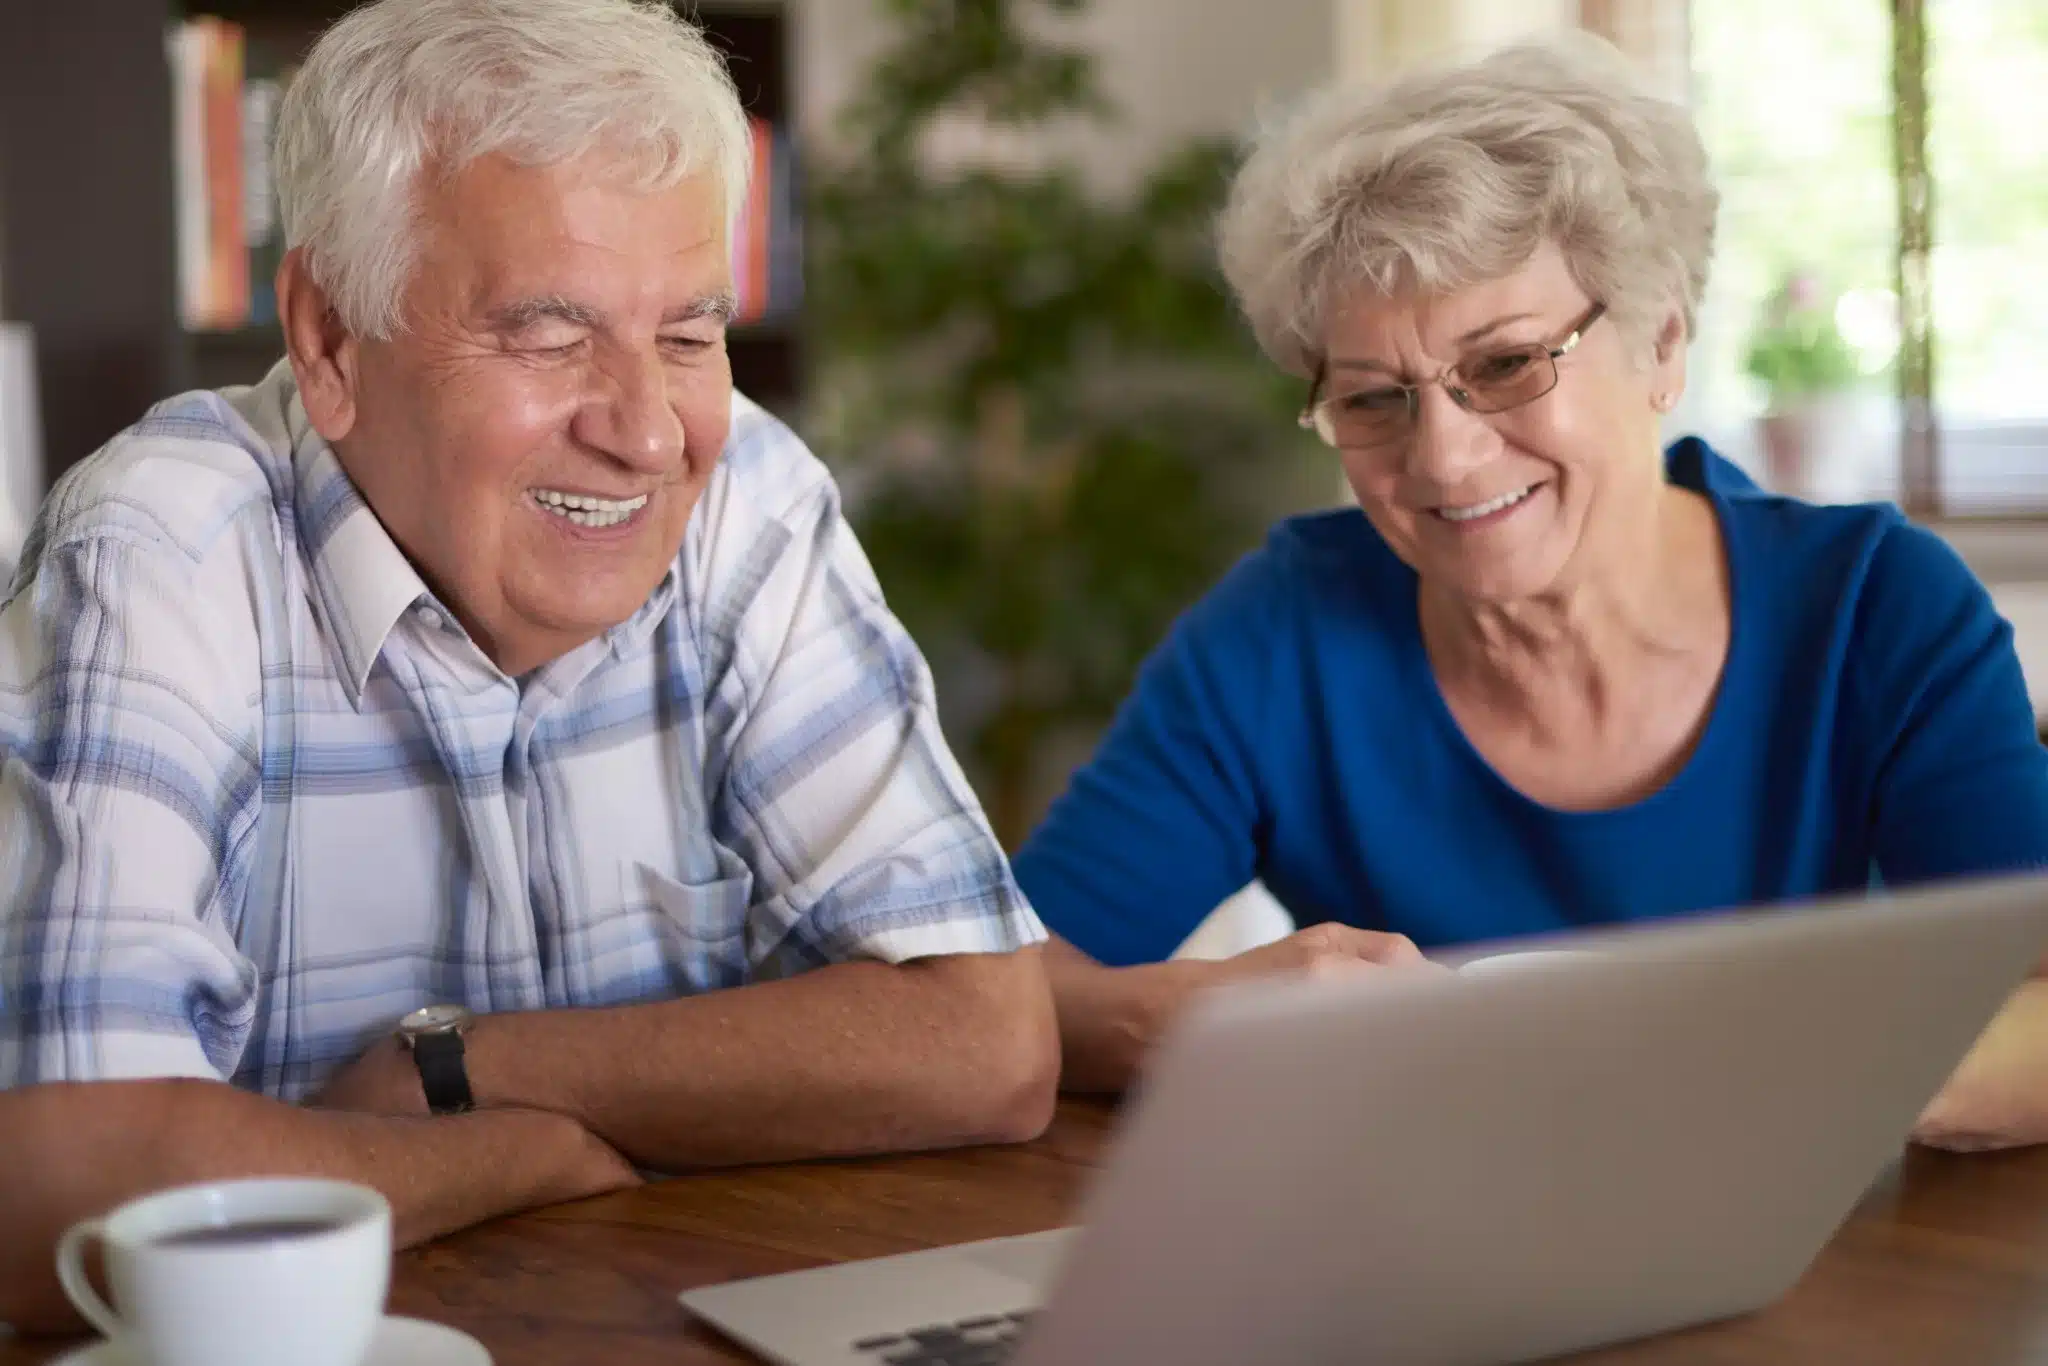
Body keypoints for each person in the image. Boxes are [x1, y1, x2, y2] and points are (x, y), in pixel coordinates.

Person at [0, 0, 1054, 1331]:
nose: (646, 431)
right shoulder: (163, 547)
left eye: (687, 333)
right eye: (550, 337)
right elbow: (60, 1192)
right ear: (329, 340)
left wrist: (458, 1066)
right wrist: (512, 1152)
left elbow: (982, 1038)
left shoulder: (750, 500)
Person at [1014, 34, 2048, 1149]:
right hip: (1418, 1262)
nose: (1444, 460)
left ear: (1659, 343)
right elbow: (1011, 996)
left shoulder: (1873, 610)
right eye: (1372, 400)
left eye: (1505, 364)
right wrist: (1198, 1015)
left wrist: (1724, 1071)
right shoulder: (1278, 635)